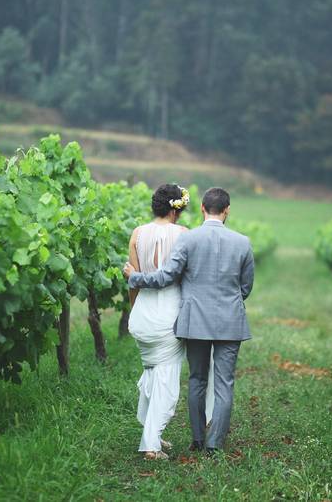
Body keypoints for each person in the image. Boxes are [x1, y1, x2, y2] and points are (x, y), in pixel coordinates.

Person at [124, 187, 255, 455]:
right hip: (230, 321)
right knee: (224, 383)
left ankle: (197, 440)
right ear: (227, 210)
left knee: (197, 379)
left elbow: (165, 277)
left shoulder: (189, 239)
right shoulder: (243, 242)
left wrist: (134, 277)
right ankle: (214, 443)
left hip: (195, 321)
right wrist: (229, 302)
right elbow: (246, 287)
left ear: (203, 209)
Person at [126, 184, 190, 460]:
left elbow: (133, 280)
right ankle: (150, 443)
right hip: (169, 314)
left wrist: (134, 310)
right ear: (177, 210)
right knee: (168, 377)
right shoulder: (184, 236)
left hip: (142, 313)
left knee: (153, 369)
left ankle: (154, 432)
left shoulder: (137, 234)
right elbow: (188, 279)